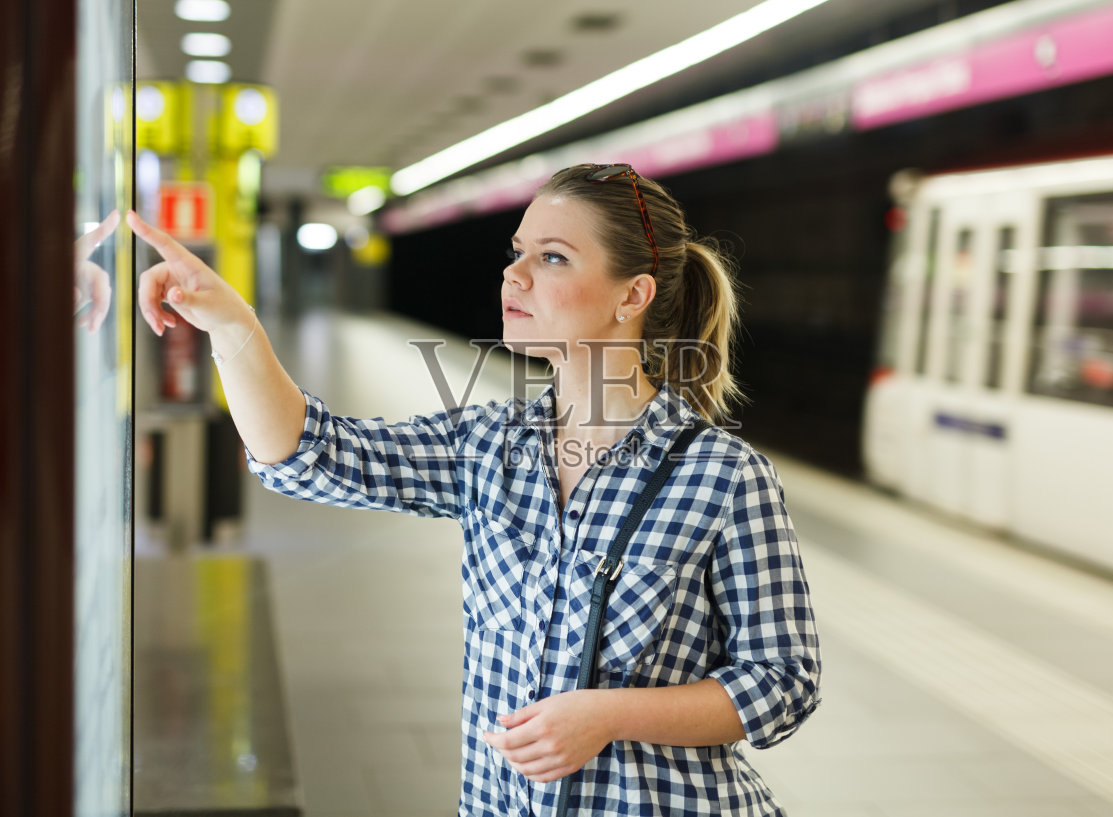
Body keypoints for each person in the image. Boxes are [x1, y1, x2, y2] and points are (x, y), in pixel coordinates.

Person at [129, 163, 821, 816]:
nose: (512, 275)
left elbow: (784, 680)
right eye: (517, 251)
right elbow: (312, 454)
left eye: (551, 257)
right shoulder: (488, 445)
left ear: (631, 294)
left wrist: (608, 715)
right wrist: (232, 326)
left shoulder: (724, 476)